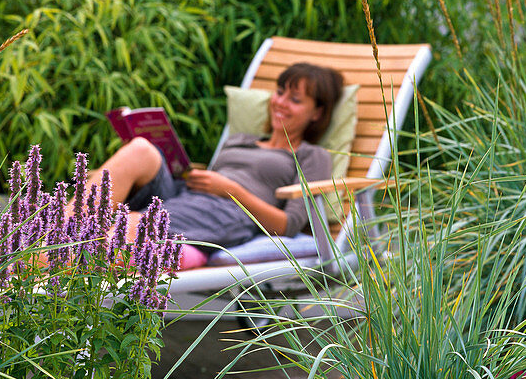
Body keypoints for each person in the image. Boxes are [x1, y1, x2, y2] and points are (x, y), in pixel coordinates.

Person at [89, 62, 344, 265]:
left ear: (317, 113)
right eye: (279, 92)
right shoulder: (241, 139)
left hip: (230, 212)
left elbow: (288, 226)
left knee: (129, 226)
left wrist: (229, 190)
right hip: (187, 196)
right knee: (140, 149)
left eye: (295, 100)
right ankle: (64, 225)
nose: (280, 102)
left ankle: (58, 251)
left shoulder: (312, 155)